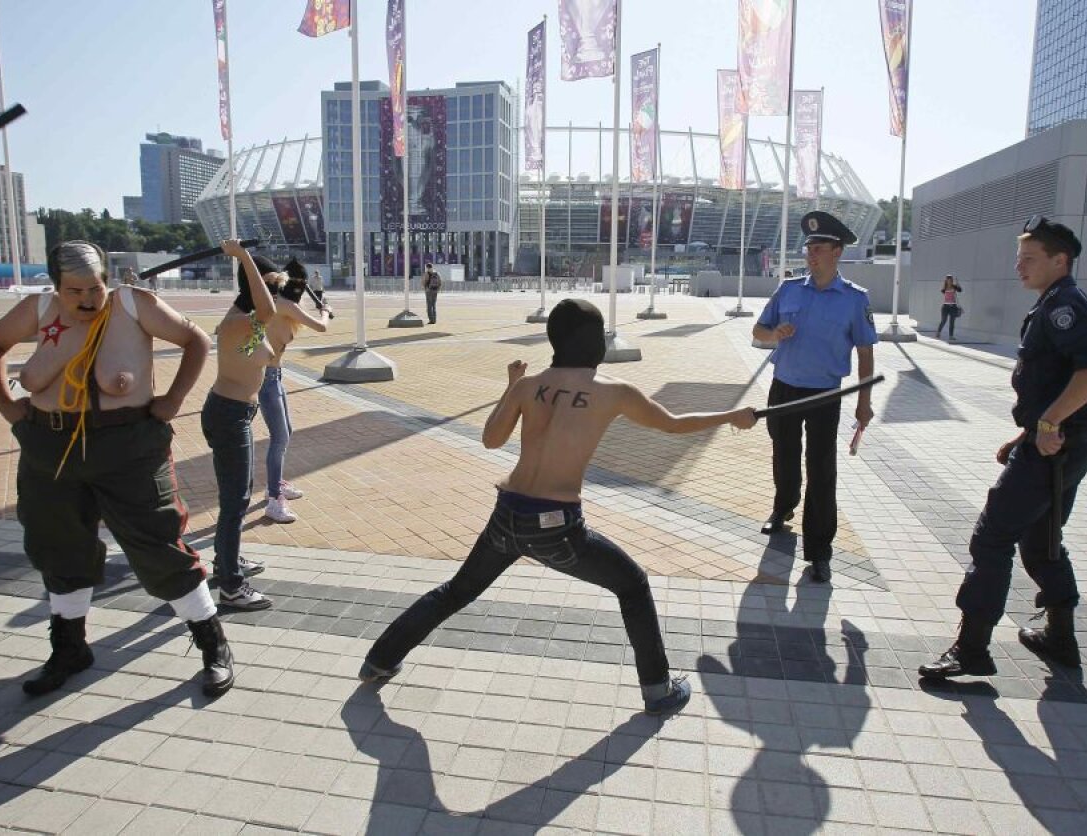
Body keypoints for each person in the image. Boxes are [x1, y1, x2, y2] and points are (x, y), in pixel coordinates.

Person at [358, 298, 757, 715]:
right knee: (633, 584)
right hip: (556, 526)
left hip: (507, 515)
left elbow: (491, 440)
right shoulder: (613, 392)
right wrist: (733, 415)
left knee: (456, 591)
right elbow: (674, 424)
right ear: (596, 345)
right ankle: (658, 690)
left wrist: (511, 385)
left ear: (554, 340)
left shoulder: (529, 387)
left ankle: (380, 660)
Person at [0, 240, 235, 697]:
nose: (89, 299)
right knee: (58, 545)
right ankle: (70, 648)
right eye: (75, 291)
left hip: (129, 445)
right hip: (49, 445)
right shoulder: (37, 310)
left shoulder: (132, 304)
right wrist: (8, 408)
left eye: (95, 287)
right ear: (55, 287)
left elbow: (196, 339)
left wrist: (172, 400)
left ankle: (212, 641)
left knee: (158, 542)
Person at [920, 216, 1087, 680]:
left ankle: (971, 650)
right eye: (1018, 256)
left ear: (1059, 260)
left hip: (1056, 447)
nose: (1018, 265)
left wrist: (1048, 422)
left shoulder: (1063, 306)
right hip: (1063, 443)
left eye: (1029, 258)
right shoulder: (1054, 302)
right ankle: (1061, 638)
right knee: (1040, 539)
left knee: (992, 537)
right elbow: (1057, 380)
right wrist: (1028, 430)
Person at [751, 211, 877, 583]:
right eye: (809, 247)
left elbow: (866, 351)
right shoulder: (789, 289)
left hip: (824, 392)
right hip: (784, 387)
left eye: (820, 247)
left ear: (838, 252)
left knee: (821, 468)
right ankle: (783, 507)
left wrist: (864, 401)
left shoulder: (855, 299)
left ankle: (820, 550)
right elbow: (758, 328)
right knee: (784, 453)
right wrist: (775, 333)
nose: (812, 254)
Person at [201, 241, 283, 611]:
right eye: (270, 286)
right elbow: (265, 307)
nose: (276, 295)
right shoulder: (238, 321)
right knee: (235, 502)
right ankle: (232, 587)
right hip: (229, 414)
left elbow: (268, 330)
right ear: (254, 287)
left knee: (235, 499)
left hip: (236, 414)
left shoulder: (248, 320)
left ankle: (226, 562)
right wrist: (244, 258)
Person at [259, 258, 331, 524]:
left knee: (286, 431)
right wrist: (325, 309)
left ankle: (275, 483)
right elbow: (322, 326)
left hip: (274, 375)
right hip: (265, 377)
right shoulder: (284, 305)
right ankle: (273, 499)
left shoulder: (279, 303)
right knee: (279, 437)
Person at [936, 274, 962, 340]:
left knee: (952, 322)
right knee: (943, 320)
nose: (949, 281)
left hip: (953, 307)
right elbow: (942, 291)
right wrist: (944, 285)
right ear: (946, 281)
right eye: (948, 280)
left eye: (950, 280)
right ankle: (938, 332)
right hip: (945, 307)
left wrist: (958, 283)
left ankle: (951, 336)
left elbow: (960, 290)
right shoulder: (944, 288)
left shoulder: (954, 287)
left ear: (952, 280)